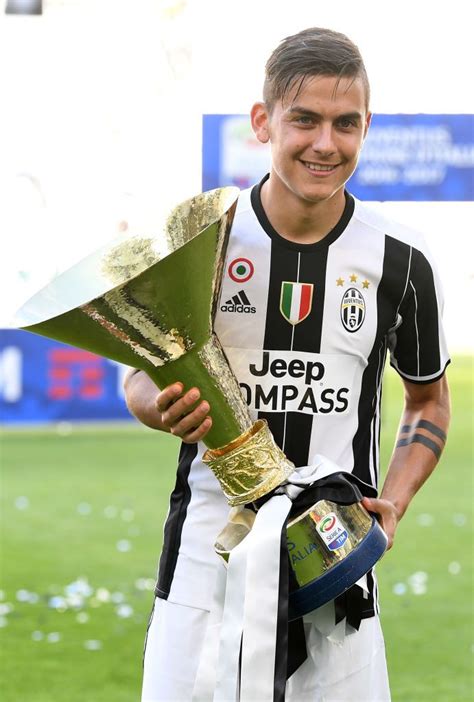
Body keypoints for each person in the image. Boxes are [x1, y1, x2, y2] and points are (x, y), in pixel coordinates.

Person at [125, 27, 451, 702]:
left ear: (367, 127)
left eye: (346, 123)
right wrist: (155, 407)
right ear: (262, 122)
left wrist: (395, 501)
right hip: (202, 563)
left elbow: (427, 401)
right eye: (304, 119)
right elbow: (137, 373)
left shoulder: (402, 260)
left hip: (333, 559)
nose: (325, 144)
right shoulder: (203, 241)